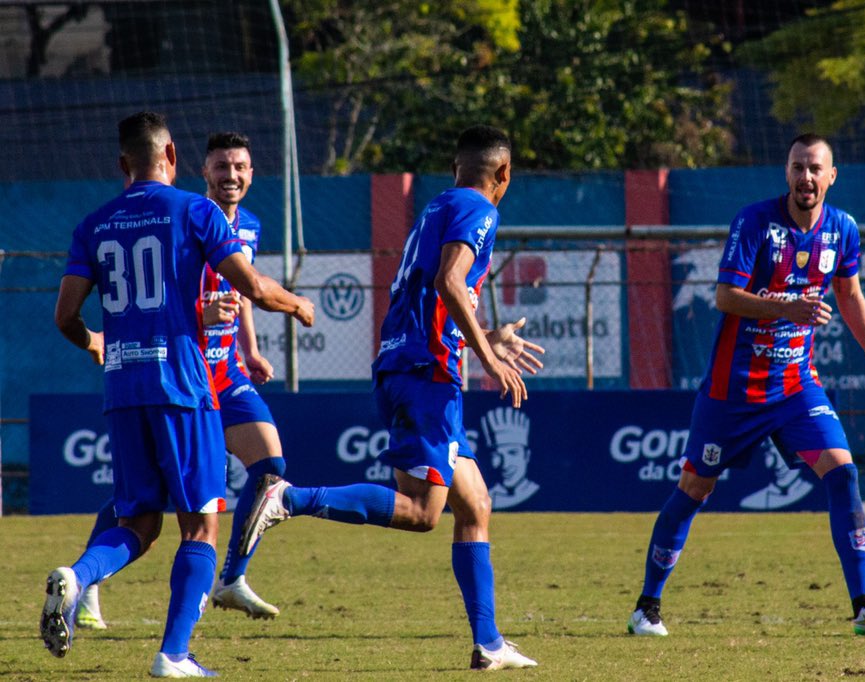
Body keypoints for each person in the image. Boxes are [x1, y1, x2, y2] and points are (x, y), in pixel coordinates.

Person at [239, 125, 544, 670]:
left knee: (474, 506)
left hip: (413, 365)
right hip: (427, 376)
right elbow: (452, 284)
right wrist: (490, 358)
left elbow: (439, 297)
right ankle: (288, 499)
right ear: (503, 174)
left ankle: (490, 643)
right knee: (425, 513)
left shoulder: (439, 207)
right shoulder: (481, 210)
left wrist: (485, 337)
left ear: (456, 167)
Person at [45, 112, 314, 678]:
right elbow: (254, 289)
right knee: (200, 525)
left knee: (139, 523)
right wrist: (298, 305)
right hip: (183, 386)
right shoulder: (196, 210)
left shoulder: (94, 223)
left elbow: (65, 315)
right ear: (171, 155)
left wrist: (95, 339)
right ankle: (173, 654)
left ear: (123, 164)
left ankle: (78, 576)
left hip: (122, 388)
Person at [627, 133, 865, 639]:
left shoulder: (843, 229)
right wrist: (788, 307)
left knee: (843, 475)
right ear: (787, 173)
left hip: (796, 386)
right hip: (733, 390)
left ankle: (864, 605)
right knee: (694, 489)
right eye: (798, 167)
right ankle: (646, 606)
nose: (806, 177)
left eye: (815, 168)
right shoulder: (755, 221)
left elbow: (848, 295)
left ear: (831, 176)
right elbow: (724, 296)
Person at [73, 132, 287, 631]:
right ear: (200, 170)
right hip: (183, 370)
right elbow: (165, 297)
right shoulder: (184, 213)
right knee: (150, 500)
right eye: (221, 166)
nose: (231, 175)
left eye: (240, 166)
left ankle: (231, 577)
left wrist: (249, 349)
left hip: (225, 368)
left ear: (252, 173)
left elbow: (242, 289)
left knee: (270, 465)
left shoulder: (250, 226)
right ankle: (93, 580)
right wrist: (201, 311)